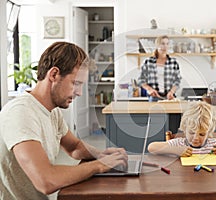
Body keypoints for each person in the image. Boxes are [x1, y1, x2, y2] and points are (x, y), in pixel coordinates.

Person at [0, 42, 128, 200]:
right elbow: (45, 180)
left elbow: (74, 147)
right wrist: (100, 165)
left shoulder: (52, 111)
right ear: (54, 75)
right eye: (76, 83)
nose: (79, 93)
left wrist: (100, 154)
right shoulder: (21, 112)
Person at [148, 101, 216, 156]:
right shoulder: (179, 143)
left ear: (208, 133)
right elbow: (151, 147)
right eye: (192, 133)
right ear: (184, 129)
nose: (196, 138)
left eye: (202, 134)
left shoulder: (213, 145)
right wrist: (176, 150)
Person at [138, 35, 181, 101]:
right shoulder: (148, 62)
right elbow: (141, 80)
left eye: (167, 44)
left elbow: (177, 80)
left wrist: (171, 92)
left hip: (170, 97)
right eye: (163, 43)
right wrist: (150, 89)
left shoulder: (173, 62)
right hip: (154, 97)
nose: (165, 46)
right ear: (157, 45)